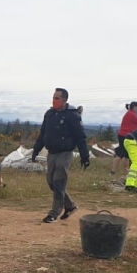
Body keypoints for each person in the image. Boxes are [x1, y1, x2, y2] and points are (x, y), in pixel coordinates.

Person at [30, 88, 90, 223]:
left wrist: (84, 157)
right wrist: (36, 150)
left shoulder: (72, 115)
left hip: (65, 153)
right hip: (52, 153)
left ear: (64, 100)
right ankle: (70, 206)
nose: (54, 100)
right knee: (51, 182)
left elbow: (81, 137)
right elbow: (42, 133)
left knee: (58, 181)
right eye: (53, 97)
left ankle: (54, 212)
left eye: (57, 98)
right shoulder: (49, 114)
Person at [112, 101, 137, 177]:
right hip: (124, 135)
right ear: (134, 107)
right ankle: (113, 171)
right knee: (120, 154)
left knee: (127, 155)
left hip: (126, 135)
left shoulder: (132, 114)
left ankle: (126, 169)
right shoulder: (131, 114)